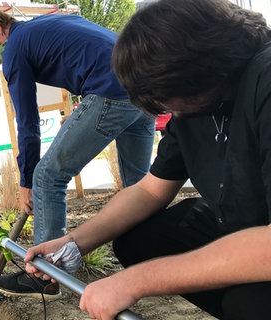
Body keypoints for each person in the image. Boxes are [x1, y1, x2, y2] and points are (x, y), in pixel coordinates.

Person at [24, 0, 271, 319]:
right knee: (140, 240)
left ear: (198, 67)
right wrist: (73, 243)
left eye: (164, 96)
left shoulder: (264, 81)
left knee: (250, 304)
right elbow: (150, 191)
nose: (164, 107)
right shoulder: (196, 103)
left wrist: (135, 282)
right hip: (246, 229)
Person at [0, 9, 155, 298]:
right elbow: (91, 50)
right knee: (140, 189)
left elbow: (28, 124)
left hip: (111, 89)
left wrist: (27, 181)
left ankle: (45, 275)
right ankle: (152, 261)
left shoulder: (15, 46)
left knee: (47, 176)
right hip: (144, 87)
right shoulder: (49, 24)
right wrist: (84, 110)